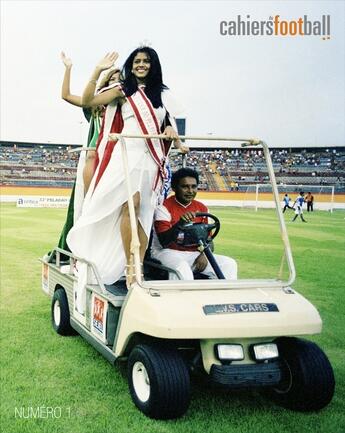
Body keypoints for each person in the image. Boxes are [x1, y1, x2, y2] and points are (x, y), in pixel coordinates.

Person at [67, 47, 188, 292]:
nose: (141, 65)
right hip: (125, 157)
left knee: (143, 216)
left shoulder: (162, 95)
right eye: (136, 61)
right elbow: (89, 101)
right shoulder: (124, 90)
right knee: (129, 205)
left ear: (153, 65)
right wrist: (97, 70)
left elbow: (169, 126)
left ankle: (137, 266)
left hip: (150, 162)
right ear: (131, 65)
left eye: (146, 61)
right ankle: (130, 269)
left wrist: (171, 133)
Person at [56, 52, 120, 255]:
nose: (116, 83)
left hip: (119, 152)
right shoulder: (95, 104)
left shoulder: (128, 102)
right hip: (96, 152)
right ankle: (90, 201)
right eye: (112, 79)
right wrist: (68, 68)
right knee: (91, 196)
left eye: (120, 80)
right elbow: (66, 96)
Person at [151, 168, 238, 280]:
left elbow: (209, 240)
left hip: (194, 254)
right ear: (174, 188)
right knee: (182, 268)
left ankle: (222, 296)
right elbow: (164, 242)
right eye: (185, 187)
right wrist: (180, 224)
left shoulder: (202, 208)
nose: (190, 191)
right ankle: (182, 297)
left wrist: (205, 255)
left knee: (229, 264)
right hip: (167, 252)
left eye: (193, 186)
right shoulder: (163, 208)